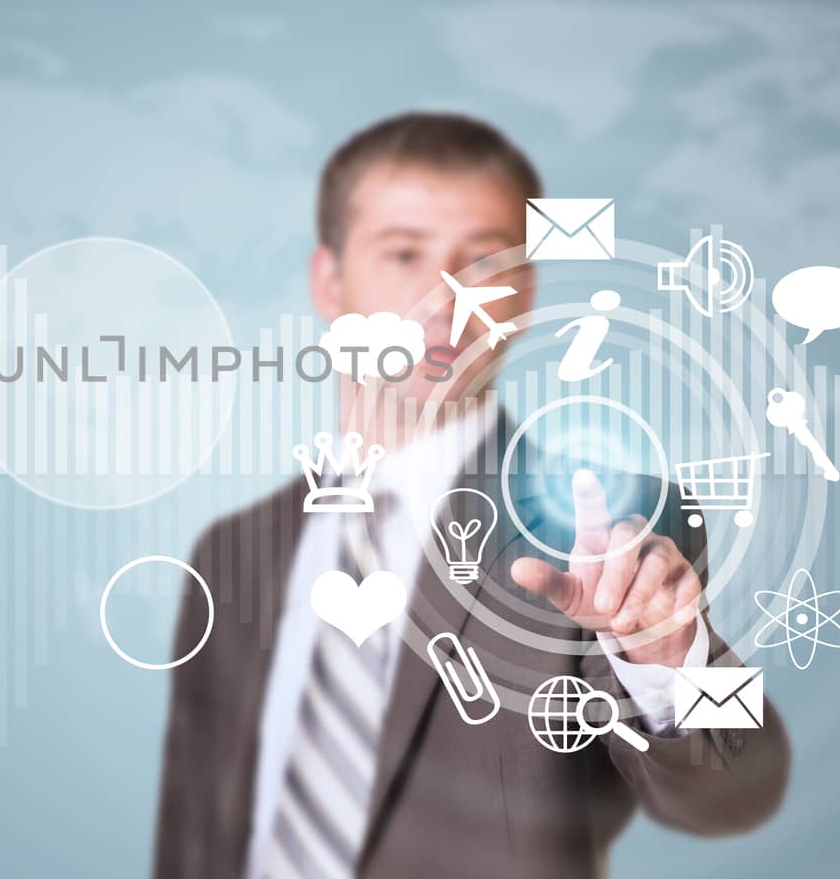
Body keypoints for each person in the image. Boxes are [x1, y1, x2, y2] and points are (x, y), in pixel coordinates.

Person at [153, 112, 789, 878]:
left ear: (526, 292)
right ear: (330, 281)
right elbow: (196, 833)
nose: (443, 295)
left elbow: (737, 796)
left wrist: (669, 663)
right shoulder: (231, 553)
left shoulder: (609, 527)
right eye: (403, 252)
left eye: (485, 259)